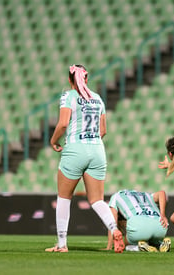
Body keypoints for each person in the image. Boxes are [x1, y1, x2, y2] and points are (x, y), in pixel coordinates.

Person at [45, 65, 124, 253]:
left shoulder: (68, 96)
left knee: (64, 198)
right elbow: (103, 130)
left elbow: (63, 123)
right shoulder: (97, 99)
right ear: (86, 79)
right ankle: (114, 229)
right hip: (97, 150)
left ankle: (62, 244)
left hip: (75, 149)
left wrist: (53, 140)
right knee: (97, 200)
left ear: (69, 80)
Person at [105, 189, 171, 252]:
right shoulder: (146, 194)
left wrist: (109, 246)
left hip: (138, 226)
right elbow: (162, 193)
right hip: (160, 226)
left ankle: (138, 248)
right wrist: (163, 215)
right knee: (153, 239)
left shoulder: (116, 196)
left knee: (127, 243)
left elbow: (113, 220)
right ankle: (160, 245)